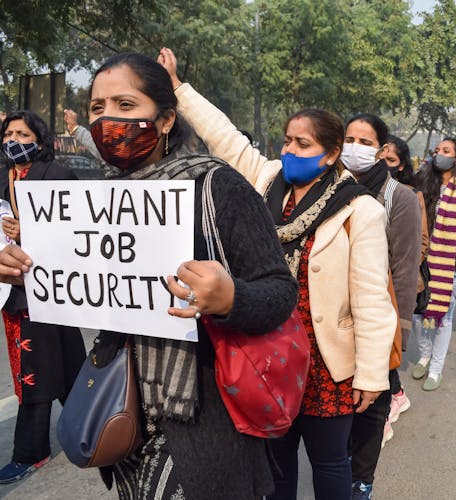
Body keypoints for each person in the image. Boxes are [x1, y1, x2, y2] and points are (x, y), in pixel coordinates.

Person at [0, 54, 299, 500]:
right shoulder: (96, 199)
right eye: (98, 108)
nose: (107, 120)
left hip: (203, 420)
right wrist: (27, 270)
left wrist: (230, 298)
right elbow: (90, 289)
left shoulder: (218, 187)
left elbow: (280, 291)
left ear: (164, 120)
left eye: (125, 105)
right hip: (124, 415)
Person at [160, 47, 397, 500]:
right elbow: (224, 137)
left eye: (301, 144)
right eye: (287, 140)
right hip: (269, 352)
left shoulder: (359, 210)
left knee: (330, 464)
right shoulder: (268, 181)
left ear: (329, 155)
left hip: (327, 365)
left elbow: (371, 300)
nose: (289, 150)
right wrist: (178, 90)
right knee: (277, 464)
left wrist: (371, 376)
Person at [0, 110, 86, 484]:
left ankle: (30, 451)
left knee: (37, 365)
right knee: (61, 360)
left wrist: (29, 230)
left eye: (22, 133)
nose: (14, 140)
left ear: (40, 139)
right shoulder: (3, 176)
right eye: (8, 134)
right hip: (16, 289)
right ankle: (87, 425)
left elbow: (77, 228)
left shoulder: (58, 174)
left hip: (53, 285)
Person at [341, 114, 421, 498]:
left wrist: (397, 336)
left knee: (371, 414)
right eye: (348, 138)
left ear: (381, 149)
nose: (354, 146)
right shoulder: (330, 188)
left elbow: (405, 270)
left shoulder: (399, 197)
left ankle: (360, 485)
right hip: (334, 323)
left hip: (377, 321)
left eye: (364, 140)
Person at [412, 137, 456, 389]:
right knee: (420, 313)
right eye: (437, 149)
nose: (439, 153)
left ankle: (436, 368)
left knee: (443, 317)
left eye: (446, 150)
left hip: (452, 264)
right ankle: (424, 353)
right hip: (422, 261)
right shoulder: (422, 183)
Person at [383, 135, 429, 442]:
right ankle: (396, 392)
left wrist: (395, 265)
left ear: (401, 166)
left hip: (396, 282)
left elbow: (420, 243)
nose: (382, 165)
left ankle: (390, 401)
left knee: (388, 345)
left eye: (390, 160)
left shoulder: (409, 196)